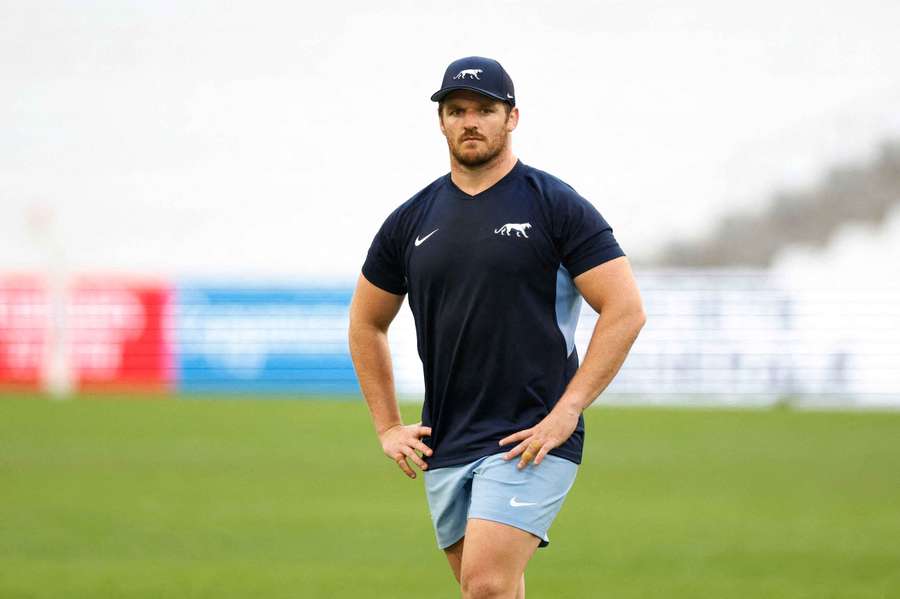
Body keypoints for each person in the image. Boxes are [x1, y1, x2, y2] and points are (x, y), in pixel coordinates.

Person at [348, 56, 646, 599]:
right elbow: (367, 322)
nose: (470, 121)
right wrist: (388, 426)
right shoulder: (410, 220)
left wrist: (567, 412)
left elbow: (625, 309)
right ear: (440, 121)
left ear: (512, 118)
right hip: (447, 439)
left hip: (530, 438)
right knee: (493, 591)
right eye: (456, 110)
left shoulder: (556, 206)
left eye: (485, 109)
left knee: (484, 586)